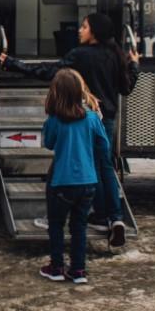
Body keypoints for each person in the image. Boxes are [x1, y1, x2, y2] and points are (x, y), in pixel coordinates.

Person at [0, 12, 139, 247]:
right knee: (104, 166)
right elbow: (127, 88)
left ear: (94, 31)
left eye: (84, 27)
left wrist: (12, 63)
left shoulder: (80, 55)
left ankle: (61, 214)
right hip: (106, 119)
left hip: (82, 117)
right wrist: (134, 64)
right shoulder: (116, 55)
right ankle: (113, 218)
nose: (80, 30)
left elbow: (49, 72)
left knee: (68, 163)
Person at [39, 68, 110, 284]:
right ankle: (78, 270)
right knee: (79, 226)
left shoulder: (54, 120)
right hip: (88, 181)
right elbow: (103, 145)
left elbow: (49, 143)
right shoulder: (91, 118)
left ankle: (57, 266)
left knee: (56, 224)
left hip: (61, 180)